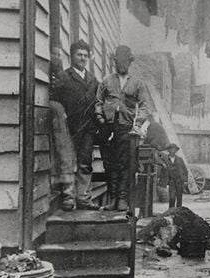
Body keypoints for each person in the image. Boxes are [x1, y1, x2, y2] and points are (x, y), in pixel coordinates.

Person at [95, 45, 150, 211]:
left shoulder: (137, 83)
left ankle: (122, 199)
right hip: (108, 127)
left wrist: (138, 123)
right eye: (119, 61)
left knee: (125, 163)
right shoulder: (106, 81)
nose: (122, 64)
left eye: (125, 61)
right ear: (115, 62)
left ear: (130, 62)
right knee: (110, 163)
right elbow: (98, 102)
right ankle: (112, 199)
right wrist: (100, 117)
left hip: (126, 128)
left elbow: (145, 106)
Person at [51, 40, 101, 211]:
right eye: (79, 55)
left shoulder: (93, 80)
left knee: (85, 162)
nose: (82, 58)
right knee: (68, 161)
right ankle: (68, 197)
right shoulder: (64, 77)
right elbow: (55, 100)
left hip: (87, 128)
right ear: (72, 56)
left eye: (85, 55)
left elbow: (97, 103)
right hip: (69, 127)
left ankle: (83, 198)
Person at [156, 143, 188, 208]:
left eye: (174, 149)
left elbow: (185, 170)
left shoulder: (180, 159)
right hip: (171, 181)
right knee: (172, 197)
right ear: (168, 150)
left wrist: (185, 180)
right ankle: (171, 211)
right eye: (171, 149)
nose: (173, 151)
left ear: (176, 151)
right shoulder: (165, 158)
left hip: (179, 180)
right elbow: (157, 158)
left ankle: (179, 212)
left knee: (179, 197)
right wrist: (163, 164)